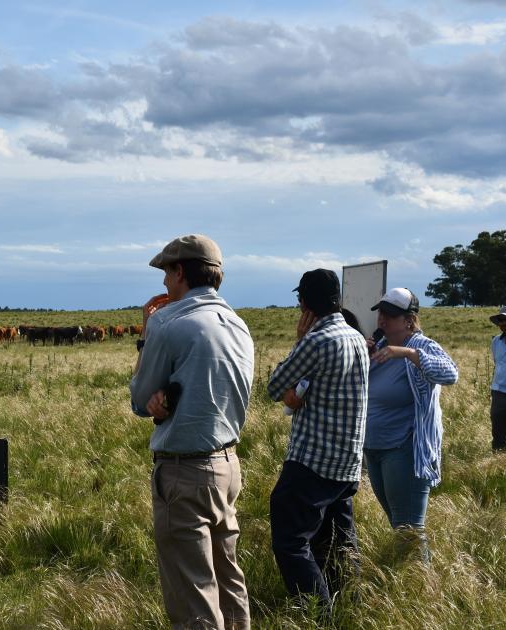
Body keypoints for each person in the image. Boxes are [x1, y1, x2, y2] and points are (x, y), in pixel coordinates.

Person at [130, 234, 254, 630]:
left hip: (184, 471)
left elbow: (138, 398)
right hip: (228, 464)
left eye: (167, 273)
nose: (165, 284)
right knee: (228, 579)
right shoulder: (238, 324)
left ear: (180, 271)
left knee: (193, 597)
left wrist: (147, 339)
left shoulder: (167, 322)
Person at [267, 269, 369, 610]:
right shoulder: (355, 336)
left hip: (314, 460)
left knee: (291, 540)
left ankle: (318, 613)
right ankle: (350, 606)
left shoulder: (317, 340)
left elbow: (273, 385)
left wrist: (299, 339)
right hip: (347, 463)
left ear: (304, 304)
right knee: (338, 541)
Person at [363, 288, 457, 562]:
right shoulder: (377, 347)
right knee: (399, 524)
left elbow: (450, 374)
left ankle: (422, 586)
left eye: (390, 315)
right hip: (374, 448)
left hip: (404, 448)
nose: (382, 321)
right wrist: (363, 356)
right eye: (381, 314)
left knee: (409, 529)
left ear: (409, 320)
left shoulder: (422, 345)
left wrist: (407, 353)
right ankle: (412, 578)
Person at [489, 305, 506, 451]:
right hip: (498, 393)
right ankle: (500, 463)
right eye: (502, 320)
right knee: (499, 434)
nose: (505, 322)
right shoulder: (495, 342)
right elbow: (497, 363)